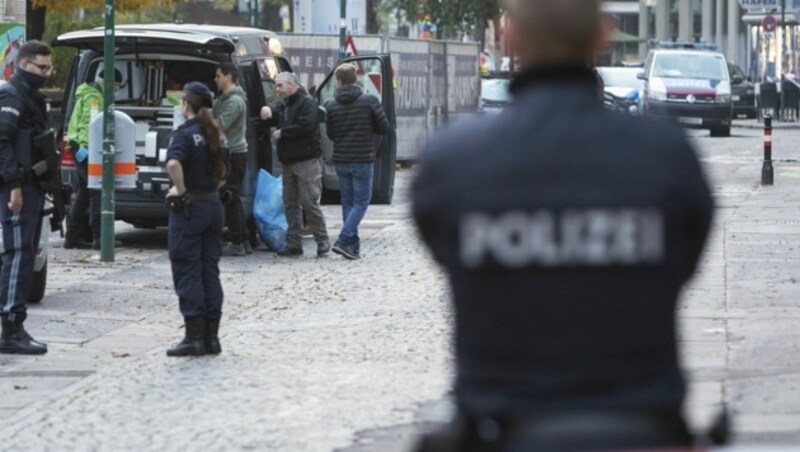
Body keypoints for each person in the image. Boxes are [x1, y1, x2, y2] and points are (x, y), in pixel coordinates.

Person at [411, 0, 714, 450]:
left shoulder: (452, 162)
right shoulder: (665, 156)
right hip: (640, 419)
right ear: (602, 35)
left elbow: (444, 251)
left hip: (501, 420)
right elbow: (685, 260)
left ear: (511, 39)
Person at [164, 82, 228, 357]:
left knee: (187, 270)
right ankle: (211, 337)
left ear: (186, 105)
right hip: (213, 205)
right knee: (209, 271)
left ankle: (193, 337)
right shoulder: (216, 134)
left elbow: (173, 163)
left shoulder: (186, 133)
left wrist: (180, 189)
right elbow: (225, 174)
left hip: (189, 210)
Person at [0, 41, 55, 355]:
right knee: (19, 256)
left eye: (49, 69)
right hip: (17, 188)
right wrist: (15, 185)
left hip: (31, 185)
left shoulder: (31, 97)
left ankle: (15, 325)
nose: (46, 74)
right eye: (41, 68)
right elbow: (3, 144)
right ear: (23, 64)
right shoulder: (11, 95)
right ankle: (11, 328)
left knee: (24, 257)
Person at [323, 63, 390, 260]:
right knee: (361, 202)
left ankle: (351, 246)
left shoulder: (331, 104)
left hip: (342, 159)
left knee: (348, 201)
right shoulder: (369, 101)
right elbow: (384, 126)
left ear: (339, 81)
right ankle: (344, 239)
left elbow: (330, 133)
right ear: (356, 78)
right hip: (363, 158)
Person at [259, 72, 330, 257]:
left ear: (292, 85)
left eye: (280, 85)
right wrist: (268, 111)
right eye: (276, 86)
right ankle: (294, 243)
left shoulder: (307, 103)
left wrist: (283, 133)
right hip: (289, 162)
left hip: (306, 161)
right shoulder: (284, 105)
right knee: (290, 204)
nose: (277, 90)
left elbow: (305, 126)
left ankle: (322, 241)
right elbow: (277, 115)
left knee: (309, 202)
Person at [64, 68, 122, 250]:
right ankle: (100, 239)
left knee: (83, 196)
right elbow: (90, 126)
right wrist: (90, 151)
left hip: (80, 150)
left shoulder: (89, 94)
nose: (116, 91)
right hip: (87, 151)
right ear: (106, 82)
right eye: (115, 86)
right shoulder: (94, 98)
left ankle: (72, 237)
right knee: (97, 193)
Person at [213, 62, 251, 257]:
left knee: (230, 196)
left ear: (228, 77)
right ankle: (243, 240)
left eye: (218, 76)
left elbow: (219, 124)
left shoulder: (234, 101)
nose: (216, 79)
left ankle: (238, 240)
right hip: (230, 152)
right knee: (231, 196)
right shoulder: (225, 98)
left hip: (233, 153)